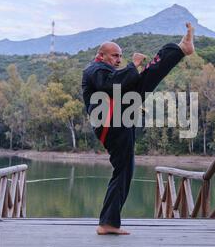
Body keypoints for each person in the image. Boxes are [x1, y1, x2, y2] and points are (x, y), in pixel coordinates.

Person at [82, 22, 195, 235]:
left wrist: (134, 70)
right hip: (111, 122)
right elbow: (111, 84)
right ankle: (107, 223)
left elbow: (120, 81)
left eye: (119, 56)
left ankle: (179, 49)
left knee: (144, 81)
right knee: (123, 171)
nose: (117, 59)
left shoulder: (105, 69)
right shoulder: (95, 69)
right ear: (102, 55)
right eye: (114, 56)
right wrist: (132, 66)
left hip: (119, 118)